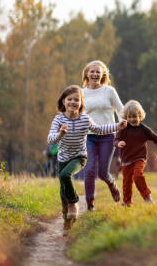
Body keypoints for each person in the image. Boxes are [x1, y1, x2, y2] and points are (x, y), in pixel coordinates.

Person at [47, 85, 127, 229]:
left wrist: (117, 126)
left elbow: (99, 129)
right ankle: (67, 217)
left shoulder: (84, 119)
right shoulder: (58, 119)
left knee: (65, 176)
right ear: (63, 102)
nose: (73, 102)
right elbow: (50, 139)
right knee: (63, 188)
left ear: (81, 103)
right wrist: (59, 135)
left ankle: (74, 203)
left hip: (79, 157)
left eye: (76, 100)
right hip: (62, 158)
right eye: (69, 99)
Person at [81, 60, 124, 211]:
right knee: (89, 169)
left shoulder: (109, 91)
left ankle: (112, 183)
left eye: (98, 72)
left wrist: (126, 126)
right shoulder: (81, 93)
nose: (94, 74)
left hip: (107, 136)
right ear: (86, 73)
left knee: (103, 172)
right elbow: (76, 113)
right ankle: (90, 204)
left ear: (103, 74)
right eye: (91, 71)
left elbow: (121, 111)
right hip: (89, 136)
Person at [113, 100, 157, 206]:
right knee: (126, 182)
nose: (132, 119)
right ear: (126, 117)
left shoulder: (144, 129)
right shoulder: (123, 128)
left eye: (135, 116)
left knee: (137, 175)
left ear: (140, 115)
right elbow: (115, 140)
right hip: (126, 160)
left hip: (139, 158)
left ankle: (147, 197)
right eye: (130, 117)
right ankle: (127, 202)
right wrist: (118, 143)